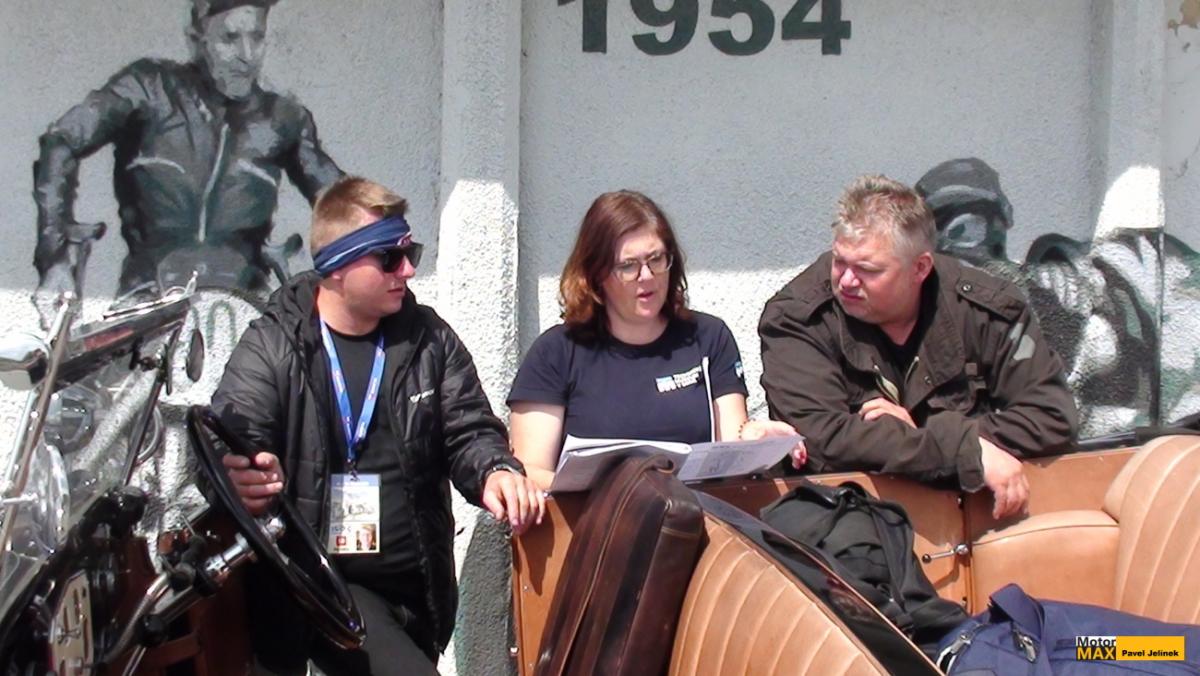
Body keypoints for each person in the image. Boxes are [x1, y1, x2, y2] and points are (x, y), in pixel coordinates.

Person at [211, 176, 544, 674]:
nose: (407, 270)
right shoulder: (275, 344)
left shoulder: (428, 339)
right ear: (338, 266)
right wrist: (239, 475)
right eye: (389, 258)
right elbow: (231, 435)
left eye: (411, 253)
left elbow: (469, 430)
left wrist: (494, 470)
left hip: (413, 593)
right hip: (313, 587)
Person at [759, 175, 1078, 520]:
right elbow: (822, 440)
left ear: (920, 268)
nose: (846, 281)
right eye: (839, 261)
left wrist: (929, 431)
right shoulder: (798, 317)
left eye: (867, 269)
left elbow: (1052, 418)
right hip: (851, 524)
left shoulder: (986, 309)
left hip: (980, 518)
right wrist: (962, 449)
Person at [33, 0, 342, 321]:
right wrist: (55, 259)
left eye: (257, 37)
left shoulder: (282, 118)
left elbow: (345, 200)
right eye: (230, 38)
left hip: (245, 308)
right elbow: (61, 140)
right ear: (197, 40)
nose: (247, 55)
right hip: (146, 303)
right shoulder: (148, 88)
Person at [508, 190, 803, 491]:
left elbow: (731, 442)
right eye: (628, 266)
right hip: (595, 516)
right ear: (596, 275)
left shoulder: (707, 336)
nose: (646, 276)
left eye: (656, 259)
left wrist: (753, 441)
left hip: (695, 514)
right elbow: (529, 471)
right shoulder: (557, 352)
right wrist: (612, 495)